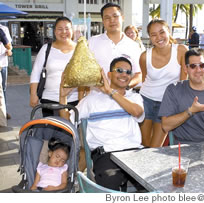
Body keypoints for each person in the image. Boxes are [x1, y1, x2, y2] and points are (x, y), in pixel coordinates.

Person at [59, 57, 145, 191]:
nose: (124, 74)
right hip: (106, 154)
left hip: (134, 151)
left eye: (128, 72)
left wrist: (111, 92)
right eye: (119, 70)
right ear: (109, 74)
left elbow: (137, 112)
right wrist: (62, 97)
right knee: (110, 185)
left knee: (156, 181)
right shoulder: (92, 100)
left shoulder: (134, 97)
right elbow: (67, 124)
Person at [139, 19, 188, 147]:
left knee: (156, 147)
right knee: (144, 144)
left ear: (169, 32)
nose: (159, 37)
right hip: (146, 101)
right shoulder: (144, 56)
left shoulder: (181, 50)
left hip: (167, 104)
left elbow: (183, 82)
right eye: (153, 34)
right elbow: (144, 79)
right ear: (149, 37)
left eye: (162, 32)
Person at [159, 48, 204, 144]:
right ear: (186, 69)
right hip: (182, 149)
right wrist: (190, 111)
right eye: (193, 66)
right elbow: (165, 126)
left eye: (202, 65)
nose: (198, 70)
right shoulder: (173, 90)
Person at [30, 17, 79, 117]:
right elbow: (35, 72)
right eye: (60, 29)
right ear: (55, 31)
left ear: (72, 31)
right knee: (51, 131)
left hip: (74, 100)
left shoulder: (80, 49)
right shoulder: (46, 48)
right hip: (49, 99)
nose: (64, 32)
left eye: (67, 28)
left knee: (71, 131)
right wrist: (33, 94)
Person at [88, 3, 142, 89]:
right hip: (97, 97)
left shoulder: (133, 46)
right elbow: (85, 72)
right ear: (103, 21)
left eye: (115, 16)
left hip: (124, 98)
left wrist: (125, 86)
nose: (112, 20)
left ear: (122, 18)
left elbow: (138, 74)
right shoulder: (92, 42)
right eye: (107, 18)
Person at [0, 27, 12, 126]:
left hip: (3, 64)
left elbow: (9, 45)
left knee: (2, 89)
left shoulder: (3, 29)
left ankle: (3, 112)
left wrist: (9, 50)